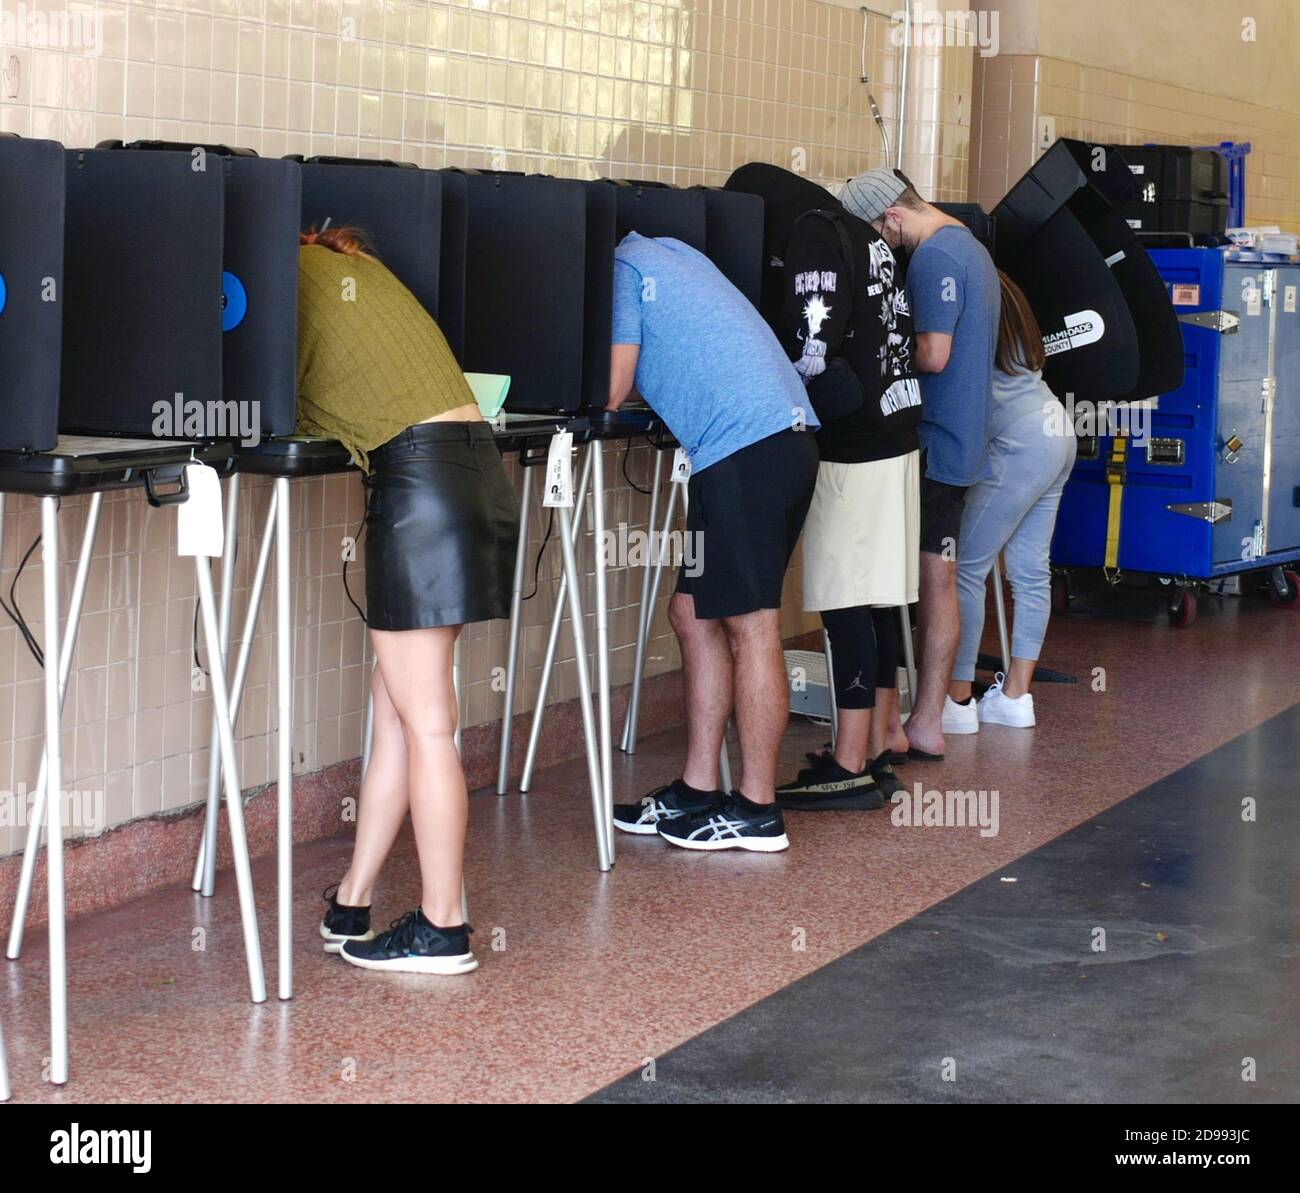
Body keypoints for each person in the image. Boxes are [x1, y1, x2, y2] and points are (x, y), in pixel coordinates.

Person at [300, 226, 519, 975]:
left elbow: (264, 398)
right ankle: (353, 901)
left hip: (419, 486)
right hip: (477, 472)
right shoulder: (349, 266)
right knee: (397, 706)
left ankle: (443, 925)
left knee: (427, 721)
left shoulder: (278, 285)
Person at [607, 232, 819, 852]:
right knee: (694, 611)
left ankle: (757, 808)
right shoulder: (672, 252)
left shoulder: (622, 269)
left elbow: (613, 390)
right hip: (774, 440)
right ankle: (699, 789)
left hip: (745, 451)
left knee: (750, 623)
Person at [725, 164, 920, 811]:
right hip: (898, 428)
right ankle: (878, 741)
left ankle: (848, 763)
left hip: (854, 442)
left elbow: (812, 348)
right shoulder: (867, 239)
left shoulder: (813, 235)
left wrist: (805, 394)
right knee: (881, 595)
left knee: (845, 601)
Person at [841, 168, 998, 760]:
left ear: (892, 217)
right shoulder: (972, 247)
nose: (884, 248)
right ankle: (926, 719)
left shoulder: (934, 257)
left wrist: (873, 344)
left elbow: (933, 354)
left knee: (926, 582)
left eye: (881, 234)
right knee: (942, 579)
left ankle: (916, 720)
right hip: (963, 439)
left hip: (935, 441)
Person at [948, 271, 1077, 727]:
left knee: (966, 567)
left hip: (1021, 442)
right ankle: (1016, 698)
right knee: (1030, 572)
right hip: (1055, 427)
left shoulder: (967, 309)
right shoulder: (1012, 297)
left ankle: (958, 701)